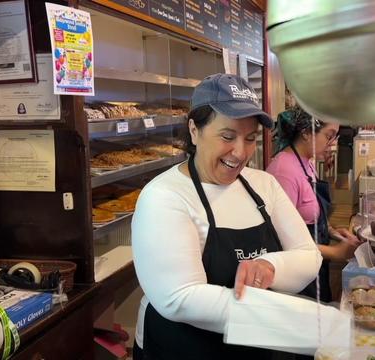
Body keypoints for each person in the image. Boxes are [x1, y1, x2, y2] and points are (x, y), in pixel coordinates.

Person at [132, 74, 322, 360]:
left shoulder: (263, 185)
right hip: (182, 350)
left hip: (253, 347)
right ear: (194, 130)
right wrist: (287, 317)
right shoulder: (164, 196)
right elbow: (179, 298)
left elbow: (309, 256)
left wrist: (270, 267)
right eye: (227, 136)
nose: (241, 152)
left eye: (250, 139)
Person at [266, 105, 361, 303]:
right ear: (307, 133)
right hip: (298, 272)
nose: (332, 143)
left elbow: (308, 214)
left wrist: (333, 231)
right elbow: (280, 241)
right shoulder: (284, 171)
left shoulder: (306, 162)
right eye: (329, 135)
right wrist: (335, 253)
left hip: (316, 259)